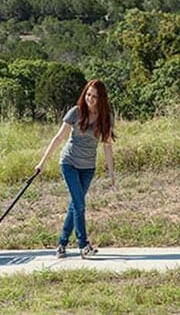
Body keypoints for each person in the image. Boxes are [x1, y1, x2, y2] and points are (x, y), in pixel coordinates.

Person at [35, 79, 115, 259]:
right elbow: (58, 138)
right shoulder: (76, 112)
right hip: (69, 162)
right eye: (88, 94)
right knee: (79, 204)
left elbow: (107, 146)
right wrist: (42, 162)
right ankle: (83, 245)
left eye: (94, 96)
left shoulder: (106, 117)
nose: (90, 99)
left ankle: (61, 244)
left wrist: (111, 172)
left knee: (75, 205)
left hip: (88, 167)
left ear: (101, 98)